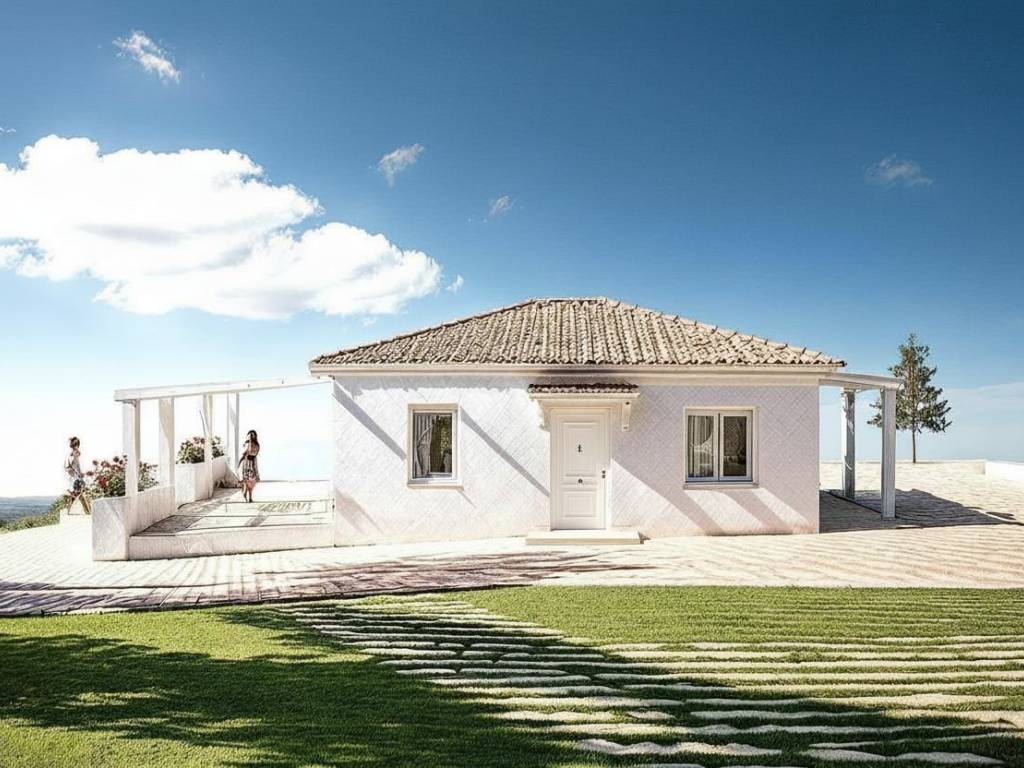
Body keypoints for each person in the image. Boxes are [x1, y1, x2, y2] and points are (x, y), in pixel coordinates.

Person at [64, 436, 91, 514]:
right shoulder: (74, 454)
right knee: (80, 494)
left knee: (78, 494)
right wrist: (80, 474)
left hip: (74, 478)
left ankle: (87, 511)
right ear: (77, 445)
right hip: (77, 478)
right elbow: (77, 466)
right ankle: (88, 511)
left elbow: (68, 467)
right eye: (77, 445)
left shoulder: (71, 455)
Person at [238, 430, 261, 503]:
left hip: (253, 463)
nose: (252, 436)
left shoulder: (257, 444)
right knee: (247, 480)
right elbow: (245, 453)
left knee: (252, 481)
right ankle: (247, 495)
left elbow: (255, 453)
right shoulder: (247, 443)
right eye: (251, 435)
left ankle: (249, 496)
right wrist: (239, 463)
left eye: (253, 435)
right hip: (247, 463)